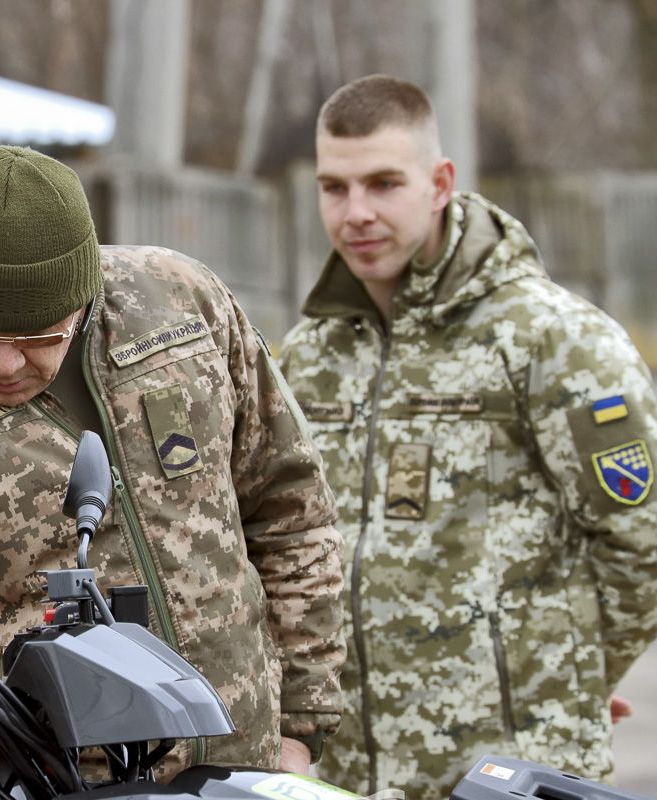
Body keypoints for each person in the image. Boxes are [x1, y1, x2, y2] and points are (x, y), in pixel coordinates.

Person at [0, 144, 346, 777]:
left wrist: (301, 728)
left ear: (83, 297)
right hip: (56, 784)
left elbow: (291, 512)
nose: (4, 364)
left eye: (39, 338)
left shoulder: (184, 309)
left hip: (248, 770)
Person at [278, 74, 657, 799]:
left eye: (384, 183)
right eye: (334, 187)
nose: (355, 212)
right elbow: (284, 543)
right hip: (350, 772)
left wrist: (568, 675)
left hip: (508, 769)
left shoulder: (551, 340)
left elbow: (642, 537)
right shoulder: (308, 354)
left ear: (441, 182)